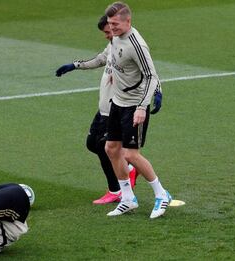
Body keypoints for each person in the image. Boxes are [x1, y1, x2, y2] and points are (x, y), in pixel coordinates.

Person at [55, 15, 162, 204]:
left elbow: (149, 73)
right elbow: (101, 59)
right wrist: (75, 65)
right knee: (92, 144)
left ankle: (117, 190)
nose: (107, 34)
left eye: (109, 29)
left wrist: (158, 92)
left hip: (119, 107)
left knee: (107, 148)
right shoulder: (113, 44)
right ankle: (128, 169)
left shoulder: (132, 46)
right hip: (104, 107)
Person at [103, 2, 171, 219]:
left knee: (131, 154)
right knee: (111, 148)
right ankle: (128, 198)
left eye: (116, 24)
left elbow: (151, 75)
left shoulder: (136, 44)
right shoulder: (115, 37)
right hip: (118, 103)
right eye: (110, 24)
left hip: (134, 105)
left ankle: (162, 194)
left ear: (128, 21)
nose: (111, 28)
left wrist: (142, 107)